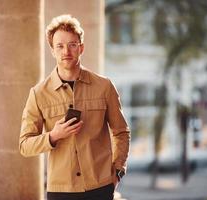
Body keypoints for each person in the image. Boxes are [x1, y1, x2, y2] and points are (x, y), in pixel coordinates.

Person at [19, 14, 130, 200]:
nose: (66, 51)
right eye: (59, 46)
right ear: (52, 51)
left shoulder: (104, 87)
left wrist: (117, 171)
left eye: (72, 44)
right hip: (61, 190)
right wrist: (53, 136)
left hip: (100, 186)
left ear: (81, 48)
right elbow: (24, 145)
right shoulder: (38, 94)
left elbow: (121, 132)